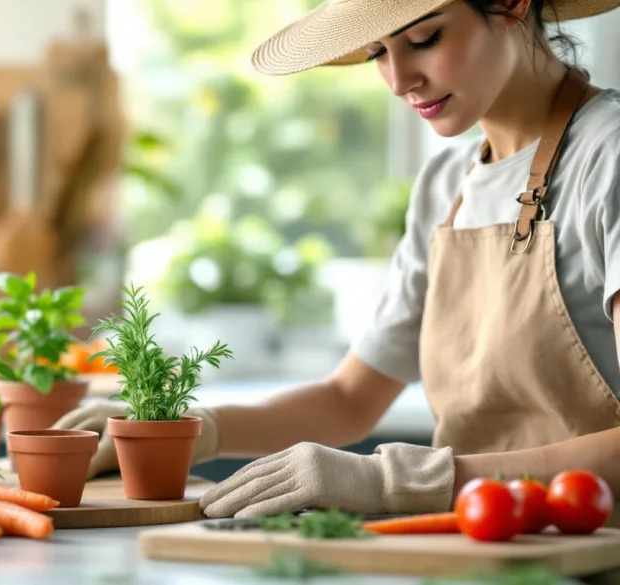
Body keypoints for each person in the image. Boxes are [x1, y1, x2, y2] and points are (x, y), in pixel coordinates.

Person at [54, 0, 620, 522]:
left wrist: (404, 479)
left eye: (424, 38)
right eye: (377, 52)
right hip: (475, 551)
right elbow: (349, 399)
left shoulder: (607, 156)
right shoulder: (446, 187)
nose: (399, 81)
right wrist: (201, 427)